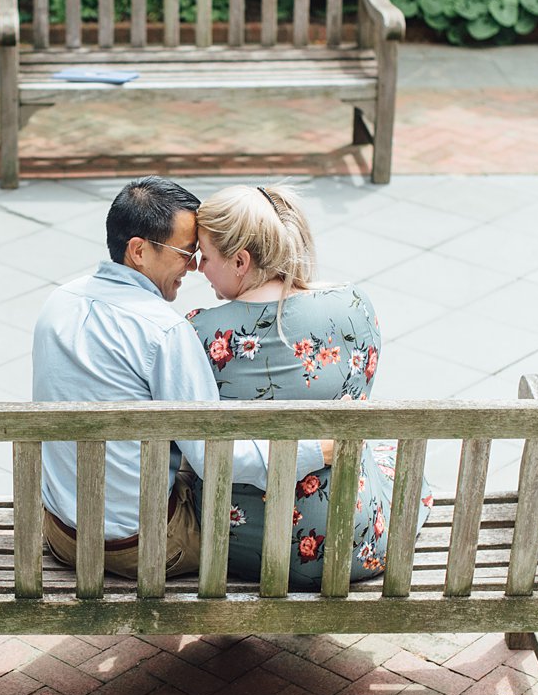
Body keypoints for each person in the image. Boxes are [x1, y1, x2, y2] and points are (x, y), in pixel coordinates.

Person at [32, 176, 329, 579]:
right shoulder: (164, 331)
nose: (192, 266)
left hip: (62, 531)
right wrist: (315, 450)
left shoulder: (59, 301)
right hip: (138, 548)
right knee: (249, 529)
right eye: (184, 252)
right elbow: (215, 457)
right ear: (138, 250)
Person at [186, 183, 434, 587]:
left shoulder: (200, 331)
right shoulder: (355, 305)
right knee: (386, 452)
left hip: (241, 548)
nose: (198, 267)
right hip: (356, 542)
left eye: (206, 256)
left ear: (240, 261)